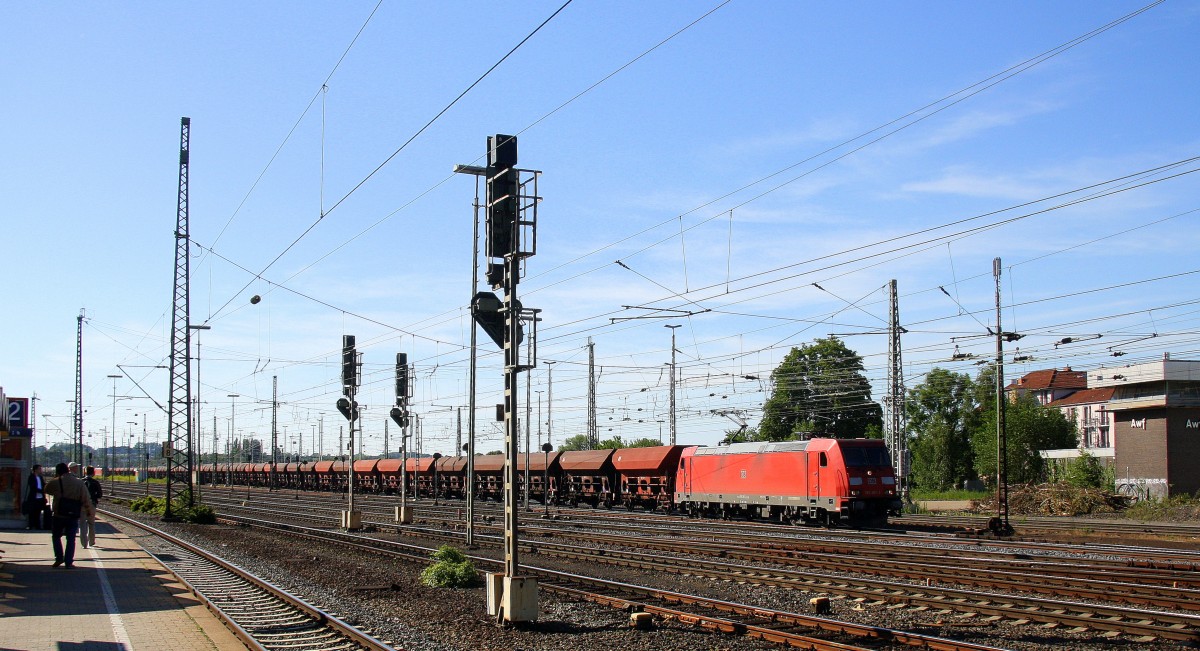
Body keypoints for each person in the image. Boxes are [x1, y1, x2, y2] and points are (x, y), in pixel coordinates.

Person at [43, 462, 95, 568]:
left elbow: (46, 489)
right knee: (71, 539)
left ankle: (59, 558)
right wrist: (89, 512)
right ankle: (68, 561)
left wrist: (56, 479)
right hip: (73, 514)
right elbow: (86, 498)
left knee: (56, 536)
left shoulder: (57, 481)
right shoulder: (79, 483)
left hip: (59, 514)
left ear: (57, 472)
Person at [81, 466, 103, 548]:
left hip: (82, 504)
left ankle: (84, 543)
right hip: (92, 504)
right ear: (93, 473)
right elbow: (100, 494)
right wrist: (94, 496)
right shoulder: (95, 482)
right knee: (91, 523)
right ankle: (91, 541)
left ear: (85, 472)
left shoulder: (81, 481)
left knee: (82, 523)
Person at [23, 464, 47, 530]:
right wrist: (41, 491)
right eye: (39, 469)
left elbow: (43, 485)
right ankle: (31, 525)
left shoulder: (40, 477)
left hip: (40, 498)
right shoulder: (31, 477)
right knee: (32, 512)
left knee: (38, 512)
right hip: (33, 497)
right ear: (35, 469)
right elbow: (33, 487)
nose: (40, 470)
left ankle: (38, 525)